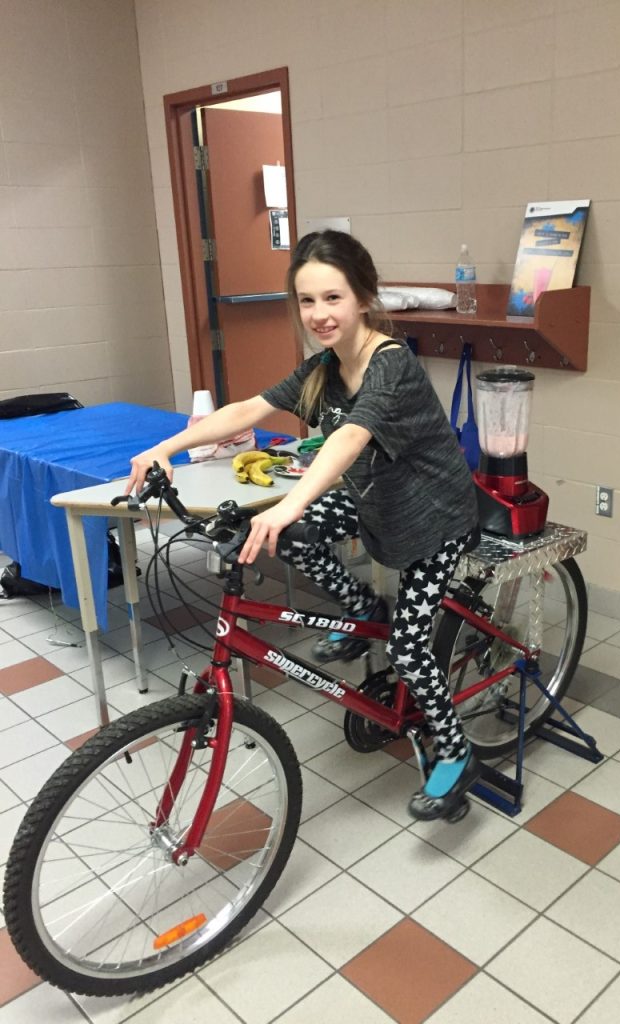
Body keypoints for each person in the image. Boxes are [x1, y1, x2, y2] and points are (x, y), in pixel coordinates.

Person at [127, 230, 481, 821]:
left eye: (333, 298)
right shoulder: (322, 369)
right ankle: (364, 608)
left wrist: (290, 502)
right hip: (377, 502)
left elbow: (351, 435)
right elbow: (247, 410)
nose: (318, 314)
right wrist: (167, 446)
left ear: (365, 298)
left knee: (410, 648)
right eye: (306, 300)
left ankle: (456, 749)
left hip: (434, 518)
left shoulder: (391, 364)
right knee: (291, 535)